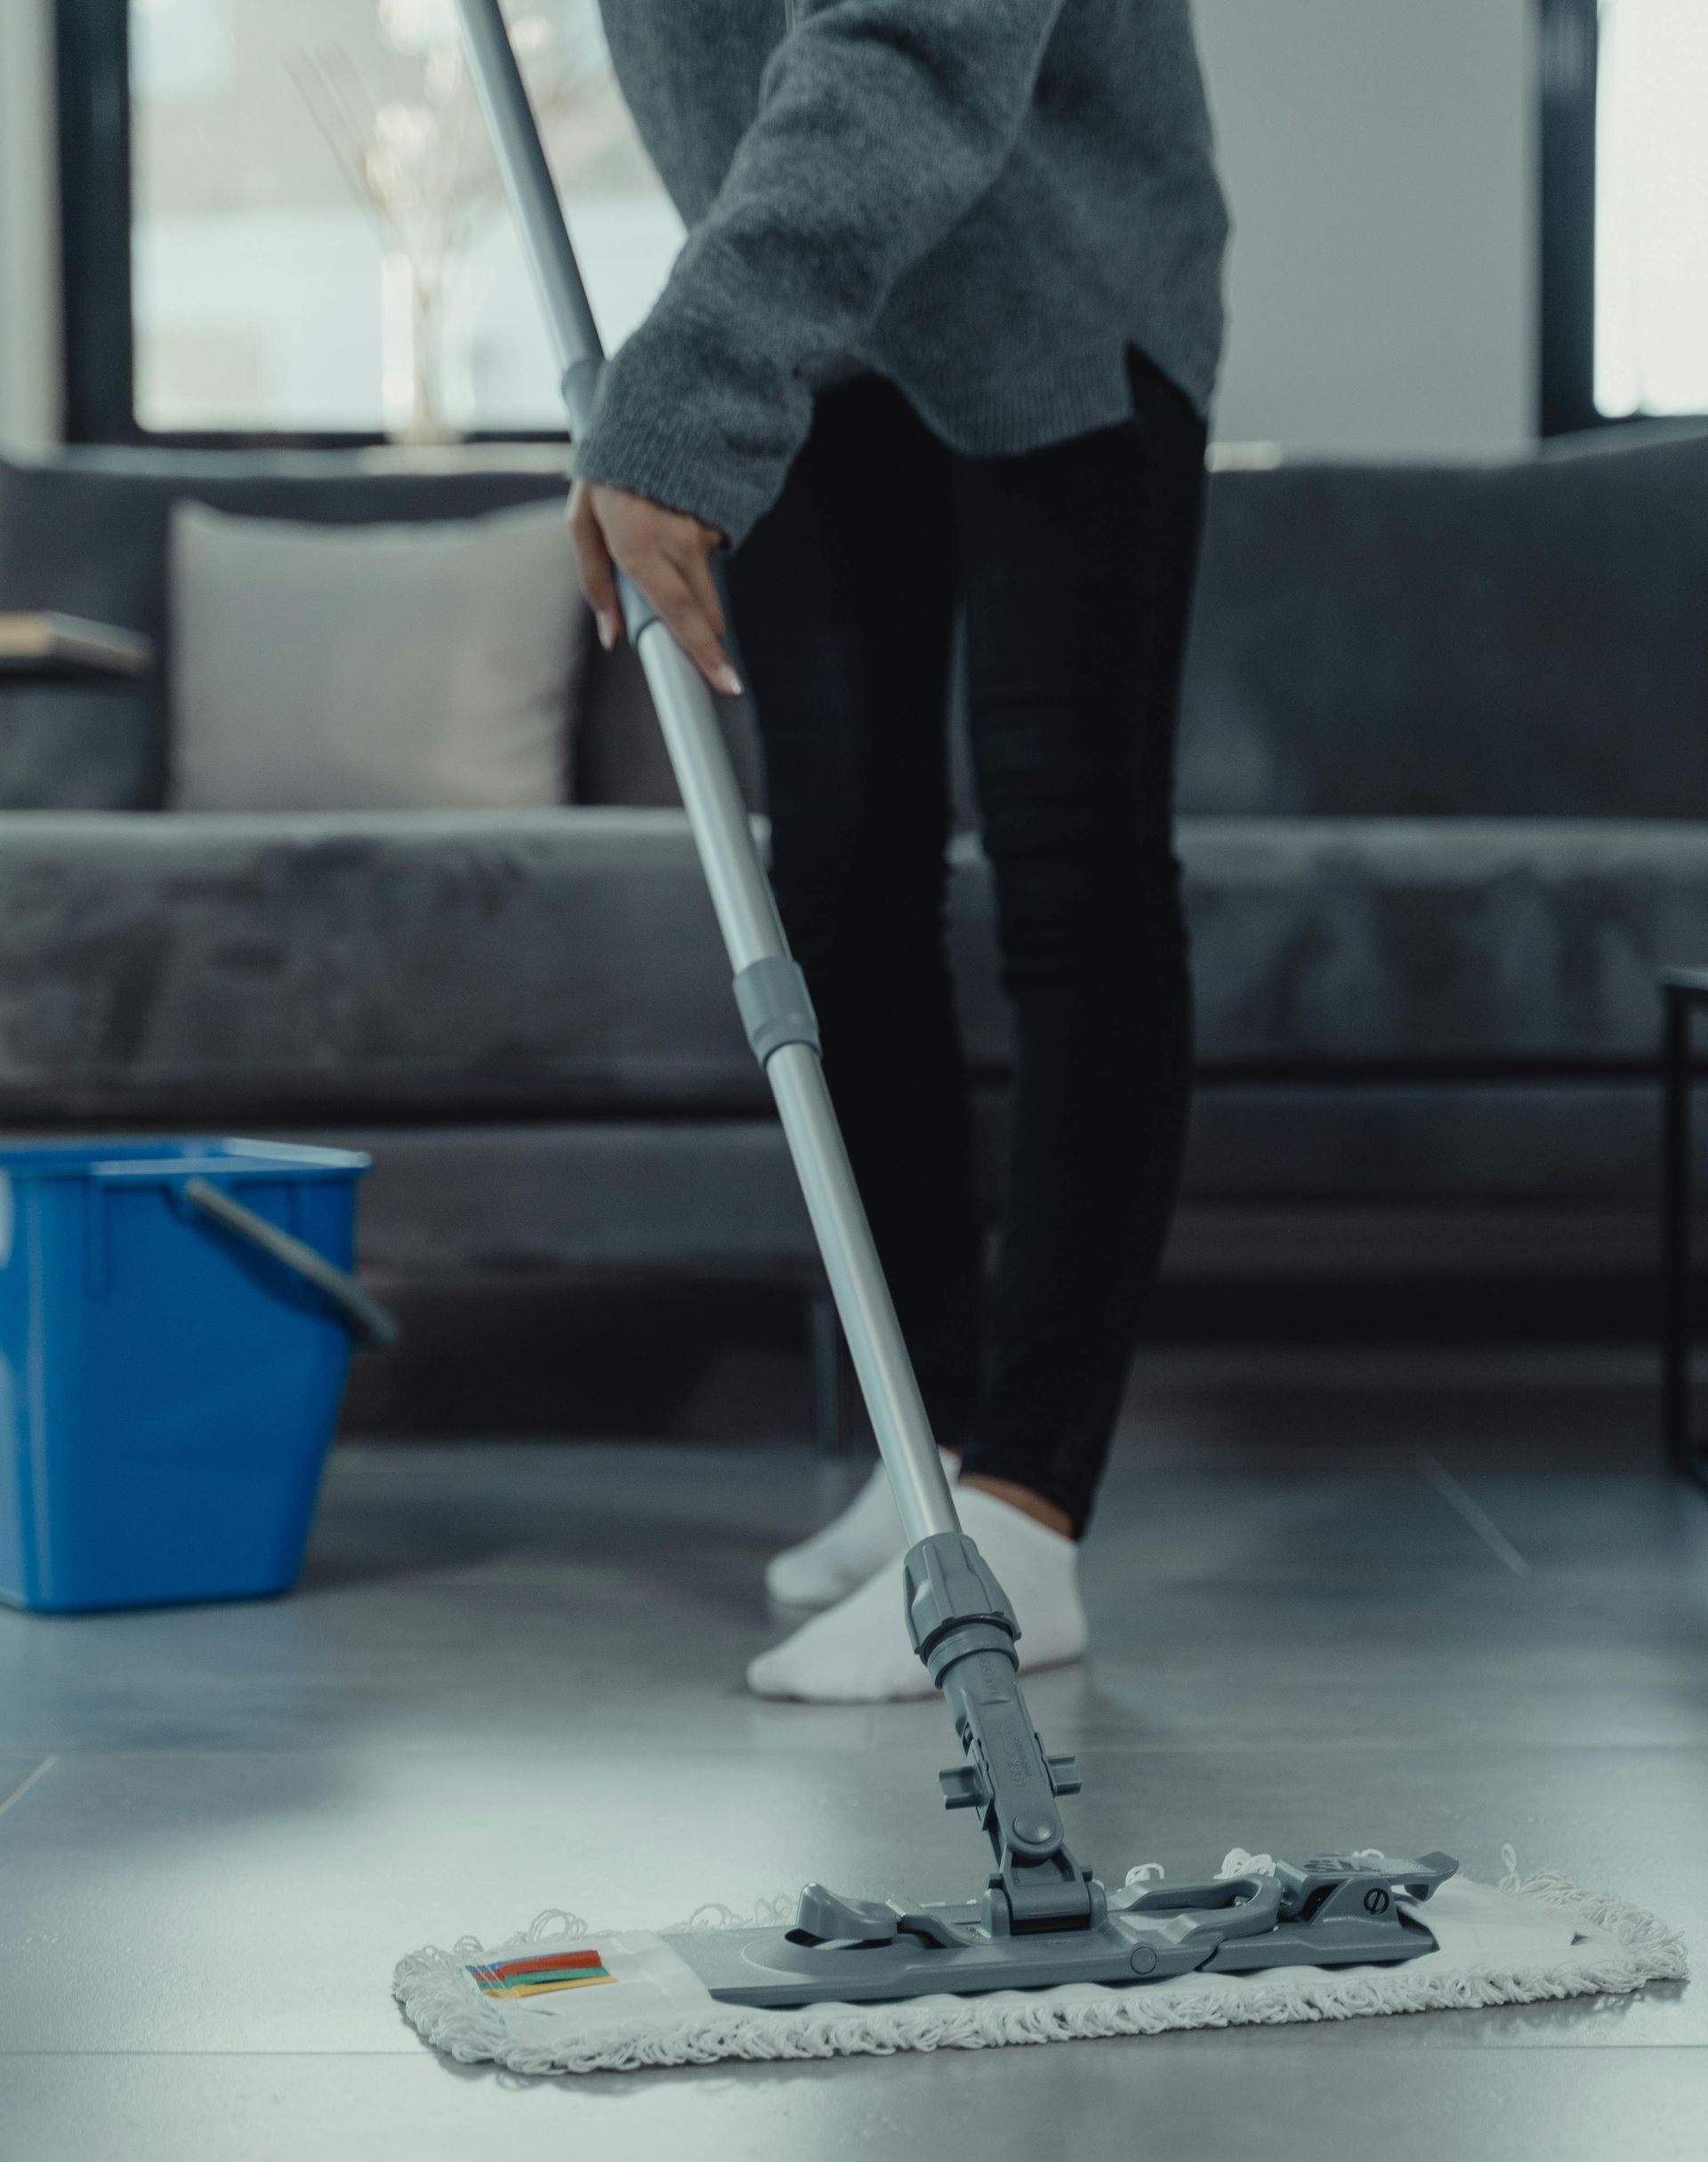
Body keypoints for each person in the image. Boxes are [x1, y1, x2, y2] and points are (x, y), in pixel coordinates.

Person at [566, 0, 1228, 1702]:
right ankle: (923, 1448)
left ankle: (1026, 1503)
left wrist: (686, 387)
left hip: (1059, 289)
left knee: (1071, 875)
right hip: (827, 326)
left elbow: (917, 39)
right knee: (847, 887)